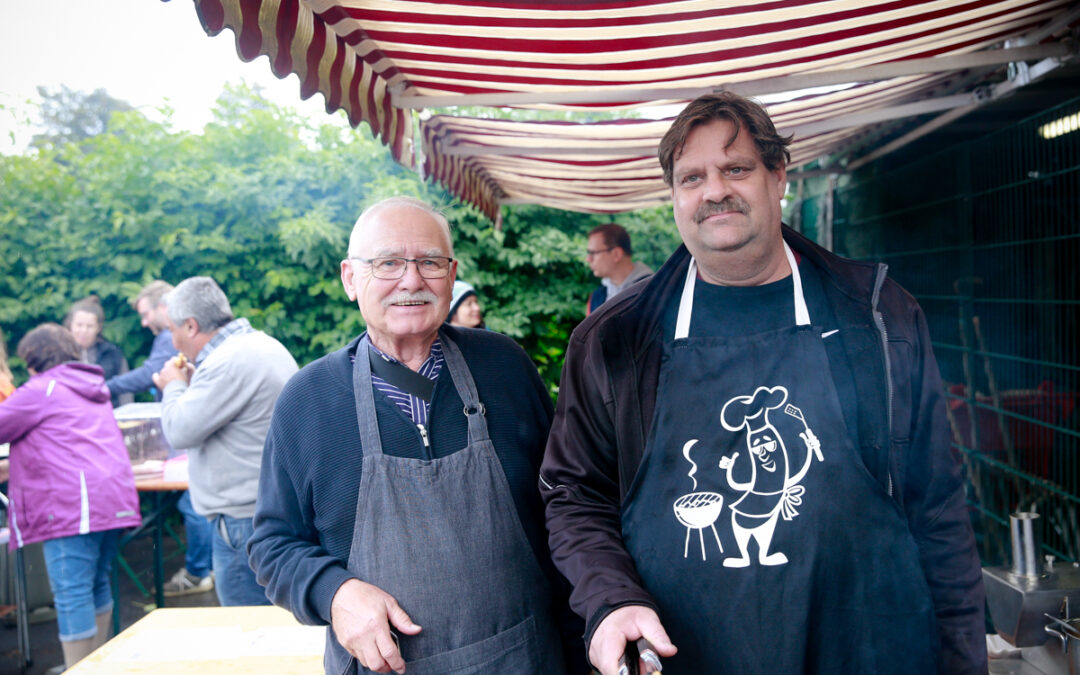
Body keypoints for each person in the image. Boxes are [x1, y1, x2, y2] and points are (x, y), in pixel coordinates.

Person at [541, 92, 987, 675]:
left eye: (737, 168)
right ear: (674, 196)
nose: (714, 190)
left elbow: (938, 509)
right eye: (692, 177)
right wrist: (610, 598)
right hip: (689, 655)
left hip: (871, 650)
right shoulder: (615, 340)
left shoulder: (877, 318)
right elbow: (575, 495)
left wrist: (963, 659)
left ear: (779, 176)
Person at [248, 196, 585, 675]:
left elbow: (566, 505)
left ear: (451, 275)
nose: (411, 280)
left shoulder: (505, 366)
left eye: (429, 261)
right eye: (387, 263)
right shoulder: (308, 399)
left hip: (525, 657)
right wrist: (333, 592)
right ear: (350, 278)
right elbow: (272, 545)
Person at [0, 324, 141, 670]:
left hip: (73, 507)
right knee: (96, 584)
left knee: (72, 592)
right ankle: (95, 665)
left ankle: (78, 669)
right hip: (112, 501)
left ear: (33, 361)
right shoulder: (89, 386)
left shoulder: (41, 389)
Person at [152, 276, 297, 606]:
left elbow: (179, 431)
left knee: (247, 635)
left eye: (172, 330)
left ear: (191, 326)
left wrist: (173, 386)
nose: (172, 342)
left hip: (242, 523)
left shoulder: (228, 362)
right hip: (267, 511)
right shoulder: (260, 345)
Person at [108, 280, 215, 597]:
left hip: (185, 431)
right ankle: (204, 568)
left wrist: (105, 387)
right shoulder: (172, 336)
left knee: (193, 501)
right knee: (191, 501)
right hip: (180, 430)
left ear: (163, 307)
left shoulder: (174, 335)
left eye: (145, 314)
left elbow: (151, 373)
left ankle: (199, 572)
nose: (143, 323)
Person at [65, 296, 131, 407]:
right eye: (79, 325)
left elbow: (126, 391)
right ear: (70, 325)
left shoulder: (113, 353)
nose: (84, 331)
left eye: (89, 326)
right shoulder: (60, 354)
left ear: (98, 328)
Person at [584, 223, 652, 315]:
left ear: (616, 254)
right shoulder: (597, 297)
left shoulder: (651, 292)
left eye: (593, 253)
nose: (588, 259)